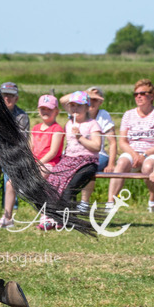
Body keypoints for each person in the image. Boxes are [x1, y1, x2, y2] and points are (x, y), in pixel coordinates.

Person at [0, 94, 64, 229]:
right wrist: (27, 162)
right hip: (34, 163)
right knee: (10, 183)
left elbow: (53, 152)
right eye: (42, 109)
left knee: (39, 179)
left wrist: (37, 164)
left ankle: (45, 215)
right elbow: (29, 148)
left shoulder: (57, 129)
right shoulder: (35, 128)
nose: (45, 112)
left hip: (49, 164)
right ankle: (7, 218)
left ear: (56, 111)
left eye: (49, 109)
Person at [42, 91, 102, 229]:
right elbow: (63, 100)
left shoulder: (93, 124)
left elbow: (97, 146)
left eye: (79, 106)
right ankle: (51, 216)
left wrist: (80, 137)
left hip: (88, 161)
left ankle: (64, 219)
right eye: (72, 105)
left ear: (87, 107)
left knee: (70, 187)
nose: (75, 109)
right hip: (69, 160)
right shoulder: (69, 123)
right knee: (53, 180)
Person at [107, 79, 154, 212]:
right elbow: (122, 141)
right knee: (122, 163)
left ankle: (153, 199)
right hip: (132, 151)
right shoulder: (128, 115)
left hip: (152, 152)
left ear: (151, 96)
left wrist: (145, 154)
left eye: (142, 93)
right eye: (136, 94)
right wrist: (134, 154)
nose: (139, 96)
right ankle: (110, 202)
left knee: (148, 167)